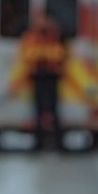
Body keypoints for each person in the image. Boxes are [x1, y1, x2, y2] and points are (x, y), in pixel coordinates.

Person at [22, 13, 67, 151]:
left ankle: (56, 141)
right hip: (39, 75)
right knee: (39, 111)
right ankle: (40, 141)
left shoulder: (55, 36)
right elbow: (27, 53)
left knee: (51, 110)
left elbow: (61, 53)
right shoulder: (33, 36)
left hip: (50, 76)